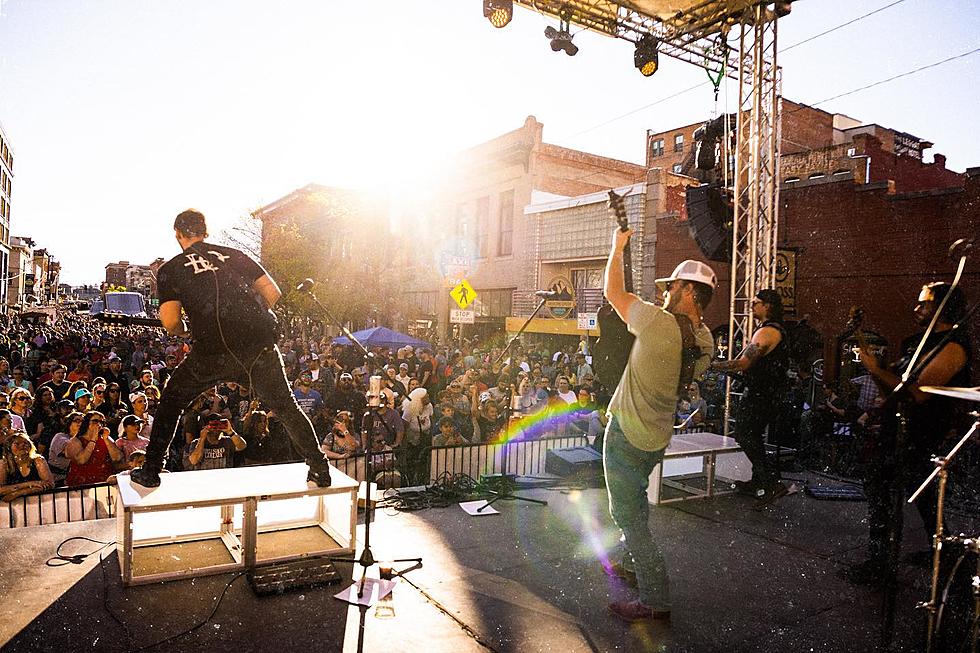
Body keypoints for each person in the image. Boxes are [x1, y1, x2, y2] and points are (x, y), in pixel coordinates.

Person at [129, 209, 331, 488]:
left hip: (211, 351)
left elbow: (170, 320)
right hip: (258, 348)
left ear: (177, 234)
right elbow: (272, 293)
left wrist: (187, 330)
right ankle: (319, 468)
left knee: (172, 402)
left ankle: (151, 471)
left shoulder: (172, 269)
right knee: (286, 407)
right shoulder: (235, 255)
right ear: (205, 232)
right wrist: (247, 321)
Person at [601, 239, 715, 624]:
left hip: (626, 436)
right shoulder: (706, 341)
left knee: (629, 517)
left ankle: (654, 598)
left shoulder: (657, 322)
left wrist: (617, 249)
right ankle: (628, 563)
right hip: (657, 438)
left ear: (687, 290)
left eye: (672, 286)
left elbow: (612, 292)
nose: (665, 291)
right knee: (633, 507)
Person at [847, 281, 973, 586]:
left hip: (924, 433)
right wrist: (875, 371)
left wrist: (876, 370)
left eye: (924, 303)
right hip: (900, 430)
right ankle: (936, 553)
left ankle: (891, 564)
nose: (916, 308)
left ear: (941, 307)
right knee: (894, 496)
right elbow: (892, 390)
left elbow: (918, 394)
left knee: (912, 498)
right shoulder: (915, 342)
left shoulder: (954, 345)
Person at [710, 289, 793, 507]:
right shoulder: (767, 330)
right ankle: (759, 481)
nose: (751, 305)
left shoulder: (768, 332)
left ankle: (771, 483)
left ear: (767, 306)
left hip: (762, 394)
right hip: (765, 392)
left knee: (746, 434)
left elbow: (744, 363)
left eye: (756, 302)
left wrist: (713, 365)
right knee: (751, 435)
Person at [65, 412, 124, 486]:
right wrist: (93, 440)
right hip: (82, 487)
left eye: (102, 422)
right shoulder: (76, 440)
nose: (99, 424)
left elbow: (117, 458)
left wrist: (106, 439)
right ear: (86, 423)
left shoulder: (105, 438)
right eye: (95, 421)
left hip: (104, 484)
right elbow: (81, 460)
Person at [0, 431, 55, 502]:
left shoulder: (38, 460)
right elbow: (1, 490)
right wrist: (30, 484)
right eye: (17, 444)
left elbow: (50, 484)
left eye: (25, 443)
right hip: (11, 507)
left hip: (38, 503)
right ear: (9, 448)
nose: (22, 445)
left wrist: (18, 493)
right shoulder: (4, 464)